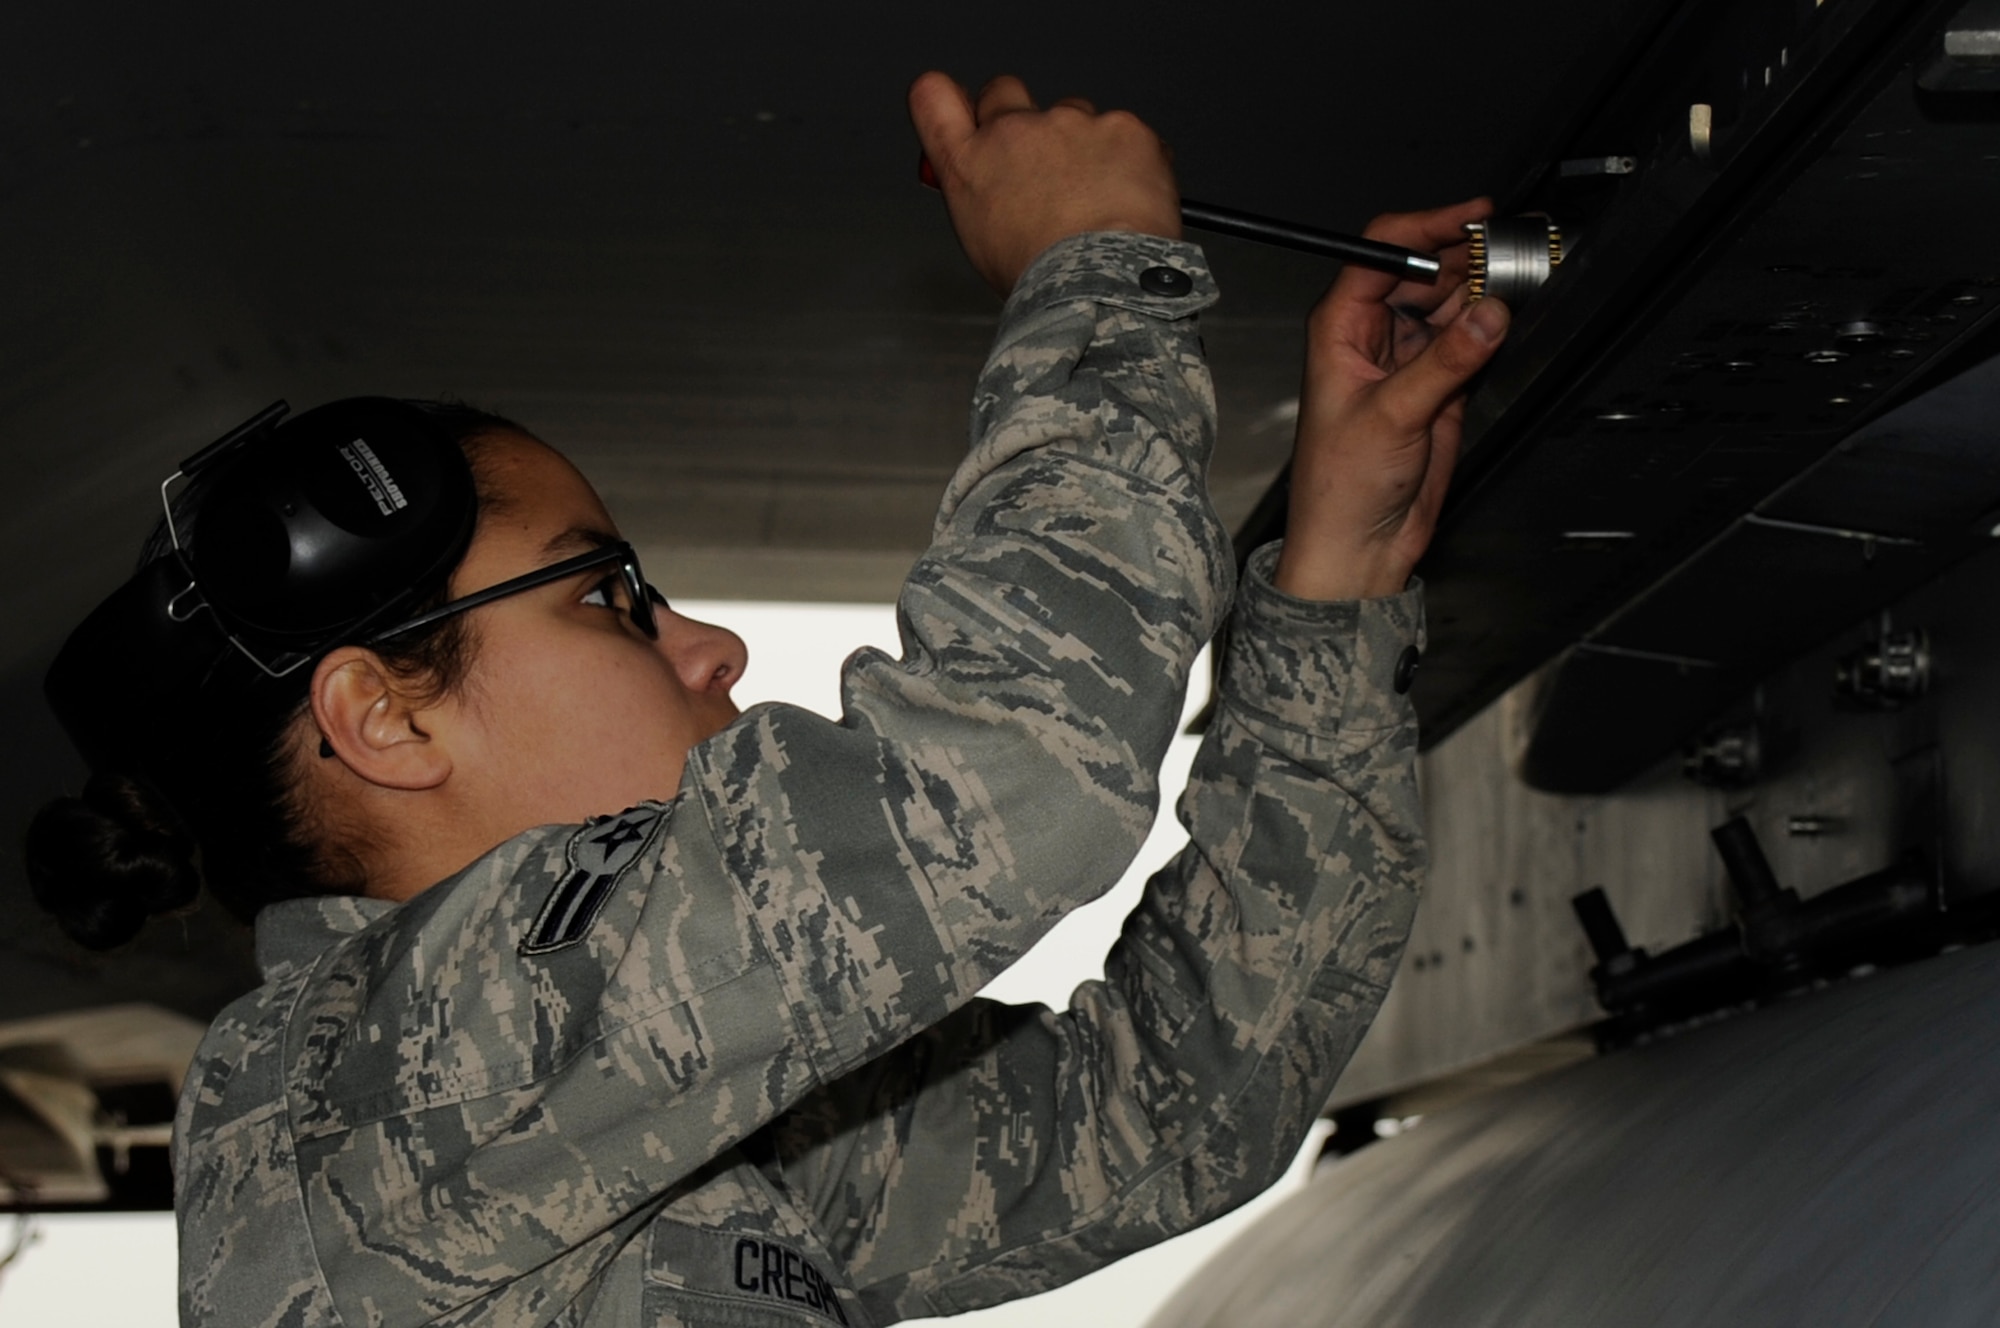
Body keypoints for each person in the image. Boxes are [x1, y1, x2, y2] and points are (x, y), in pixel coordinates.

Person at [25, 70, 1506, 1327]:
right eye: (608, 596)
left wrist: (1334, 587)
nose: (711, 646)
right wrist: (1095, 272)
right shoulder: (387, 1081)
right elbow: (1003, 784)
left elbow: (1171, 1103)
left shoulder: (604, 1111)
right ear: (388, 720)